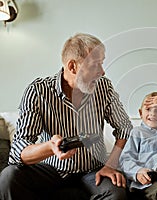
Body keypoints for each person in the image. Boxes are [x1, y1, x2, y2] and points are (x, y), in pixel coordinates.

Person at [0, 33, 133, 200]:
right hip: (52, 170)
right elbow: (19, 149)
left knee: (116, 193)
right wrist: (49, 147)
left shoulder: (103, 87)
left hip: (93, 170)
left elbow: (124, 128)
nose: (102, 72)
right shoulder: (38, 91)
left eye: (102, 63)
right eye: (95, 65)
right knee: (9, 177)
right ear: (72, 67)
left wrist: (110, 164)